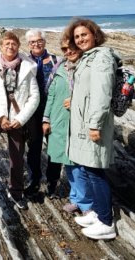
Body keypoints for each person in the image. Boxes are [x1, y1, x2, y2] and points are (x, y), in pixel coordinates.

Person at [0, 32, 39, 210]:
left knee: (17, 154)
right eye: (7, 44)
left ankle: (16, 191)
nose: (10, 47)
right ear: (1, 46)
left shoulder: (27, 67)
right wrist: (0, 117)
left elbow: (34, 97)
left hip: (17, 117)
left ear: (18, 46)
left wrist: (20, 119)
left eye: (13, 44)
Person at [66, 18, 118, 240]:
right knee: (88, 169)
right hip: (83, 124)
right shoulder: (88, 58)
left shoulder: (102, 58)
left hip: (92, 125)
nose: (80, 39)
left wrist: (95, 125)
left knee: (96, 172)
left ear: (95, 35)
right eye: (77, 37)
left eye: (84, 35)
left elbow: (101, 93)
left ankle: (106, 222)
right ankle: (98, 213)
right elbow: (86, 90)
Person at [43, 36, 93, 214]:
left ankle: (86, 204)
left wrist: (76, 100)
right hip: (59, 122)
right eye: (64, 49)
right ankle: (76, 198)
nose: (68, 52)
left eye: (71, 47)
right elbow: (51, 95)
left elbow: (96, 96)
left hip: (79, 124)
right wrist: (46, 118)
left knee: (79, 165)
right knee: (68, 164)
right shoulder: (58, 68)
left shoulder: (87, 68)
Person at [24, 29, 57, 197]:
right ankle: (34, 180)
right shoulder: (23, 61)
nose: (36, 44)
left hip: (52, 109)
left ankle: (52, 181)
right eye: (32, 42)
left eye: (39, 41)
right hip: (32, 111)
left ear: (44, 42)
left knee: (53, 147)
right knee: (34, 146)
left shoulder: (54, 60)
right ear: (28, 44)